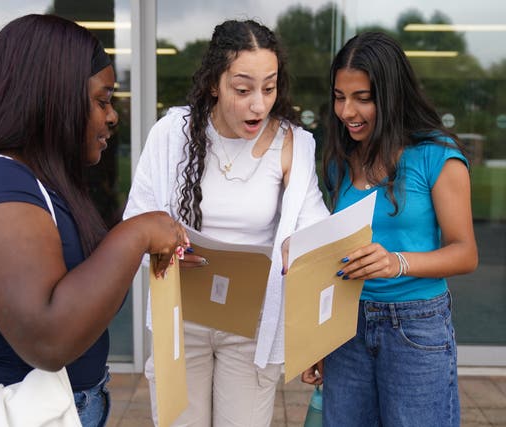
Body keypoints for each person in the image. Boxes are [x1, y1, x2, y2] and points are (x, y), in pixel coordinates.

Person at [0, 14, 189, 427]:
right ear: (53, 97)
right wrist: (135, 234)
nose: (113, 116)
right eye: (102, 100)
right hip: (2, 410)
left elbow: (82, 296)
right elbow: (49, 338)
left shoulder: (37, 180)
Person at [123, 19, 329, 426]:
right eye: (242, 89)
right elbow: (136, 222)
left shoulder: (294, 144)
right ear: (215, 84)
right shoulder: (172, 134)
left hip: (251, 325)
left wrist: (301, 248)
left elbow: (314, 227)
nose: (259, 104)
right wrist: (165, 250)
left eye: (268, 88)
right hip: (183, 317)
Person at [300, 31, 478, 427]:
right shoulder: (339, 160)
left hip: (415, 328)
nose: (347, 111)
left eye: (363, 98)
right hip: (347, 325)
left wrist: (397, 262)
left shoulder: (437, 156)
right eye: (340, 96)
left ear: (392, 95)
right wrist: (318, 339)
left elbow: (465, 252)